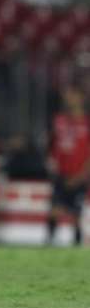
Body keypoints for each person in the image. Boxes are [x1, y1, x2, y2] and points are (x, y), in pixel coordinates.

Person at [45, 85, 89, 245]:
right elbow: (51, 147)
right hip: (60, 175)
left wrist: (81, 176)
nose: (69, 99)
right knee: (54, 212)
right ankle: (48, 243)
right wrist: (52, 166)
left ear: (81, 99)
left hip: (78, 176)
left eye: (73, 96)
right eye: (68, 96)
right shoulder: (58, 121)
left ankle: (76, 248)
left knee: (76, 216)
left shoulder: (87, 123)